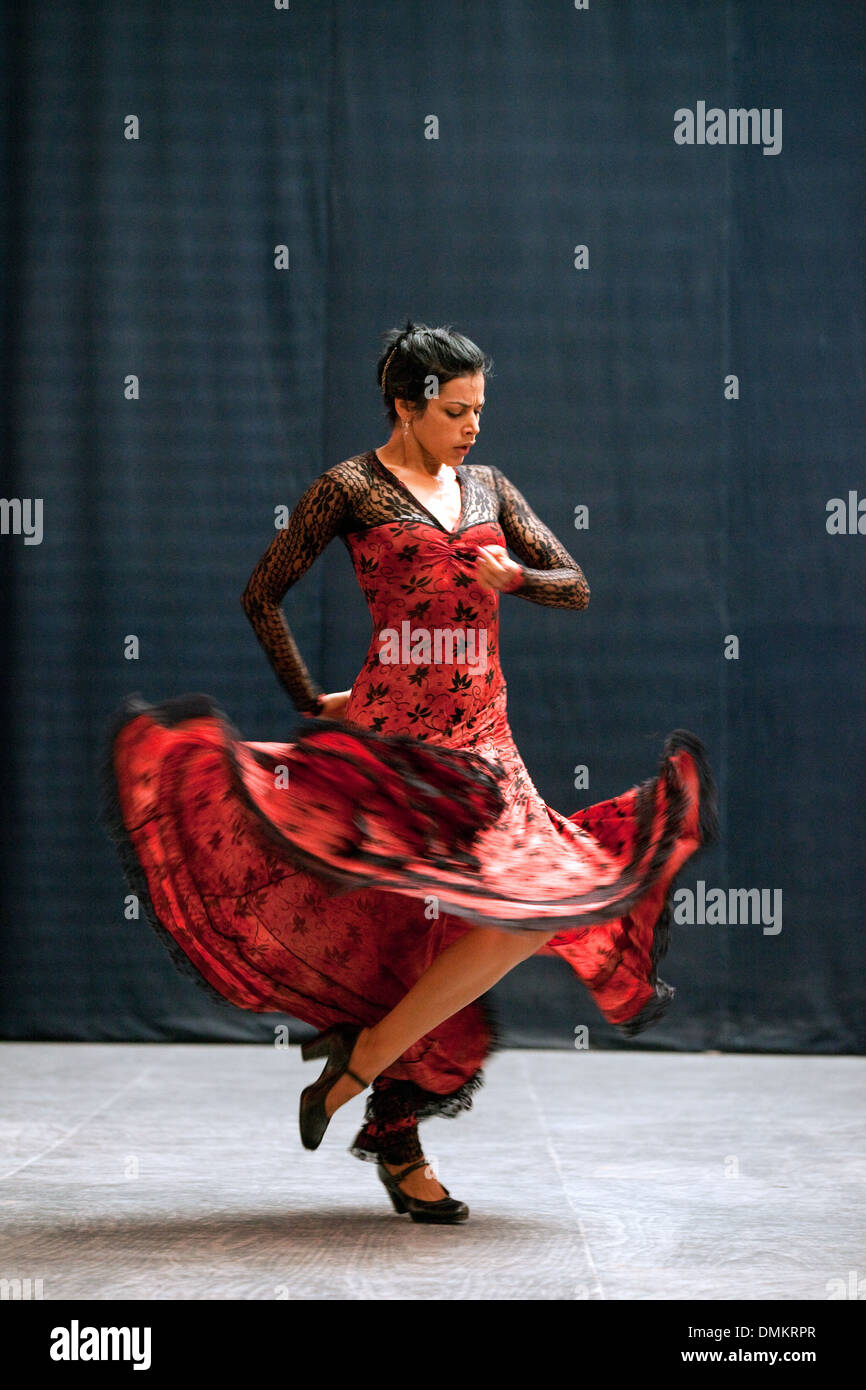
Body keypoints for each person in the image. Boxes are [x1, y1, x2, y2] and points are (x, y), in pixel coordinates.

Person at [101, 319, 718, 1225]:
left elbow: (576, 583)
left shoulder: (489, 488)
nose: (472, 427)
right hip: (395, 745)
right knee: (404, 937)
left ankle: (359, 1065)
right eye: (455, 410)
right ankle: (399, 1138)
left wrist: (517, 580)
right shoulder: (351, 488)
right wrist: (314, 699)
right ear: (406, 403)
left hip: (486, 742)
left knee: (539, 908)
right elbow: (261, 592)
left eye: (479, 410)